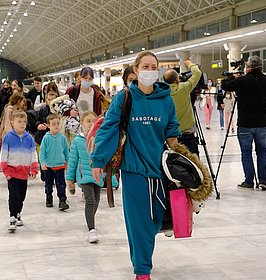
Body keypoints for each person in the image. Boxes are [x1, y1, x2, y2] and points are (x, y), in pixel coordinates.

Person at [91, 51, 181, 280]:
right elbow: (109, 128)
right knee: (139, 223)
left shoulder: (165, 99)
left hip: (159, 169)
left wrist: (181, 158)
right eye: (146, 66)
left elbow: (171, 130)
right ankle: (142, 270)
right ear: (136, 70)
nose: (150, 71)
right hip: (133, 170)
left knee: (157, 219)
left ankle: (141, 253)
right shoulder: (125, 98)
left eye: (154, 67)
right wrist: (98, 160)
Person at [221, 55, 266, 190]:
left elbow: (224, 86)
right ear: (261, 67)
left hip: (245, 123)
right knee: (262, 151)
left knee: (246, 152)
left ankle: (249, 181)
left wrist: (233, 77)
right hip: (261, 123)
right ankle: (263, 180)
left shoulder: (242, 81)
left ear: (249, 68)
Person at [67, 111, 103, 243]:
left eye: (94, 121)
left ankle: (90, 218)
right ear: (82, 123)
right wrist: (70, 179)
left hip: (98, 175)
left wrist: (113, 180)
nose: (91, 124)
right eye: (88, 121)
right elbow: (72, 160)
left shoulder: (100, 139)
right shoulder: (77, 141)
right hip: (84, 175)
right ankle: (91, 229)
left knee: (97, 201)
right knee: (90, 201)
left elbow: (106, 161)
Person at [0, 111, 38, 232]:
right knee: (13, 195)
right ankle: (12, 216)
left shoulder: (29, 138)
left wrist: (33, 168)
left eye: (24, 122)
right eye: (19, 122)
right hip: (12, 172)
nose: (22, 124)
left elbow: (33, 154)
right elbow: (3, 154)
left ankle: (18, 213)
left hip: (24, 173)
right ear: (12, 123)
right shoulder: (8, 138)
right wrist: (5, 170)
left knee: (22, 195)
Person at [163, 60, 202, 155]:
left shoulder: (162, 93)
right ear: (177, 78)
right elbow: (197, 73)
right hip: (187, 133)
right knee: (193, 161)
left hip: (171, 136)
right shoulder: (184, 88)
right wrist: (189, 63)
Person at [39, 114, 69, 210]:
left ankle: (62, 200)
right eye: (53, 124)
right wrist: (42, 163)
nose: (56, 126)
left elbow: (66, 151)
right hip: (48, 167)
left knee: (61, 184)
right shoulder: (46, 138)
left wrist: (68, 162)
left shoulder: (62, 138)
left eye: (58, 123)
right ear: (48, 126)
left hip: (60, 166)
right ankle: (49, 197)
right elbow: (42, 152)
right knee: (48, 184)